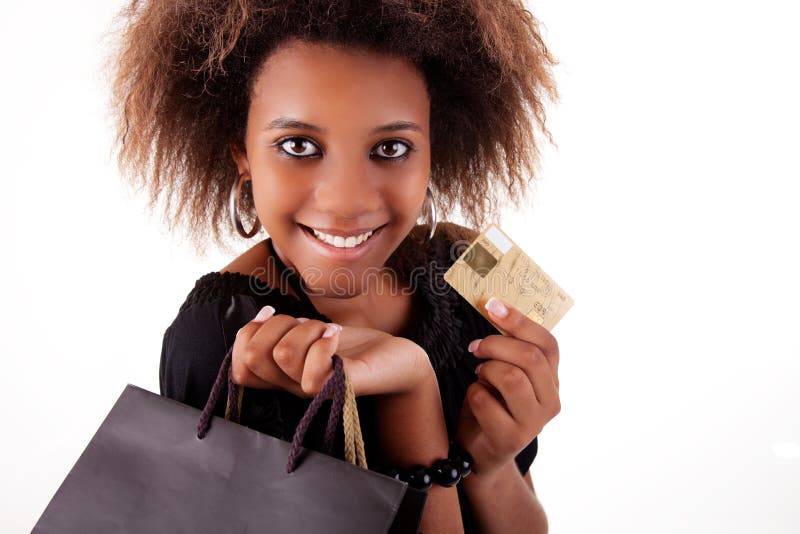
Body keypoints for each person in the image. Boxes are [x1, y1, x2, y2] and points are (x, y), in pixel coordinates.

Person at [111, 1, 561, 532]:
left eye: (391, 147)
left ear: (433, 149)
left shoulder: (478, 267)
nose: (346, 202)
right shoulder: (227, 338)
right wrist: (410, 387)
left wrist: (491, 468)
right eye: (298, 145)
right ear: (241, 152)